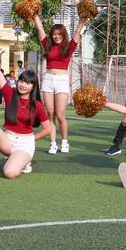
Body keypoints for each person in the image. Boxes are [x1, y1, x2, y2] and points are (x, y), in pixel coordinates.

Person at [0, 50, 52, 181]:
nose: (23, 85)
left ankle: (25, 161)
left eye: (28, 83)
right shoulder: (10, 94)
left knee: (9, 173)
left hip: (25, 144)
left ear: (33, 86)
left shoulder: (37, 105)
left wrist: (32, 138)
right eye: (21, 81)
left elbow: (47, 129)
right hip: (8, 140)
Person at [33, 13, 87, 154]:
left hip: (62, 81)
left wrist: (83, 18)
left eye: (59, 34)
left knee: (61, 115)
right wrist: (35, 15)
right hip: (48, 80)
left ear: (63, 35)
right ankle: (52, 143)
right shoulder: (48, 45)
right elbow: (40, 29)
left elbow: (77, 32)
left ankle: (64, 142)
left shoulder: (69, 47)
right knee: (50, 114)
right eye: (54, 34)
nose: (56, 36)